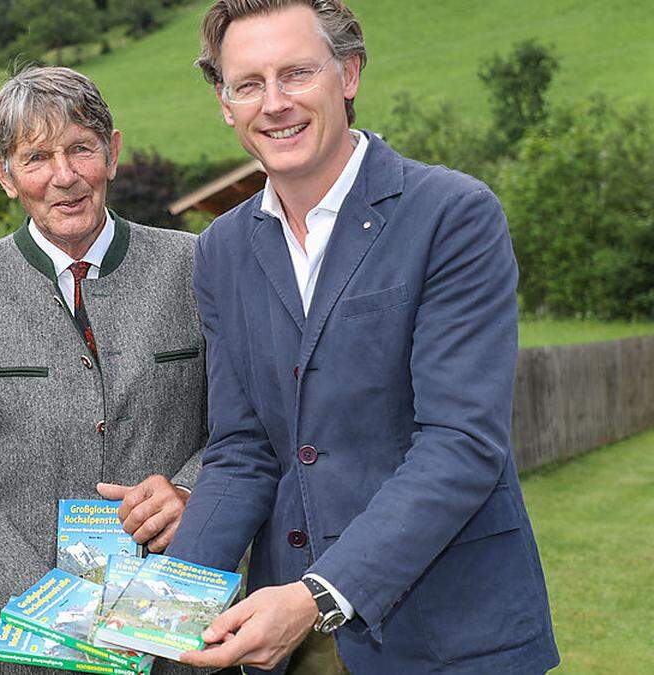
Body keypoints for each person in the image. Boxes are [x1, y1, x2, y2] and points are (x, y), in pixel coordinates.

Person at [163, 2, 560, 673]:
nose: (275, 103)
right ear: (225, 105)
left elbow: (461, 443)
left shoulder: (453, 215)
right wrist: (161, 607)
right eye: (249, 84)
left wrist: (316, 593)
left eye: (296, 74)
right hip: (293, 640)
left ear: (347, 74)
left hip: (450, 634)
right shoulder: (222, 249)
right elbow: (242, 449)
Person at [0, 66, 211, 674]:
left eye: (81, 149)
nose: (64, 177)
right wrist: (45, 604)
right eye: (36, 157)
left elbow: (243, 427)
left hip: (169, 634)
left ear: (113, 152)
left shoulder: (197, 269)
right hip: (13, 647)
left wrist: (191, 493)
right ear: (4, 174)